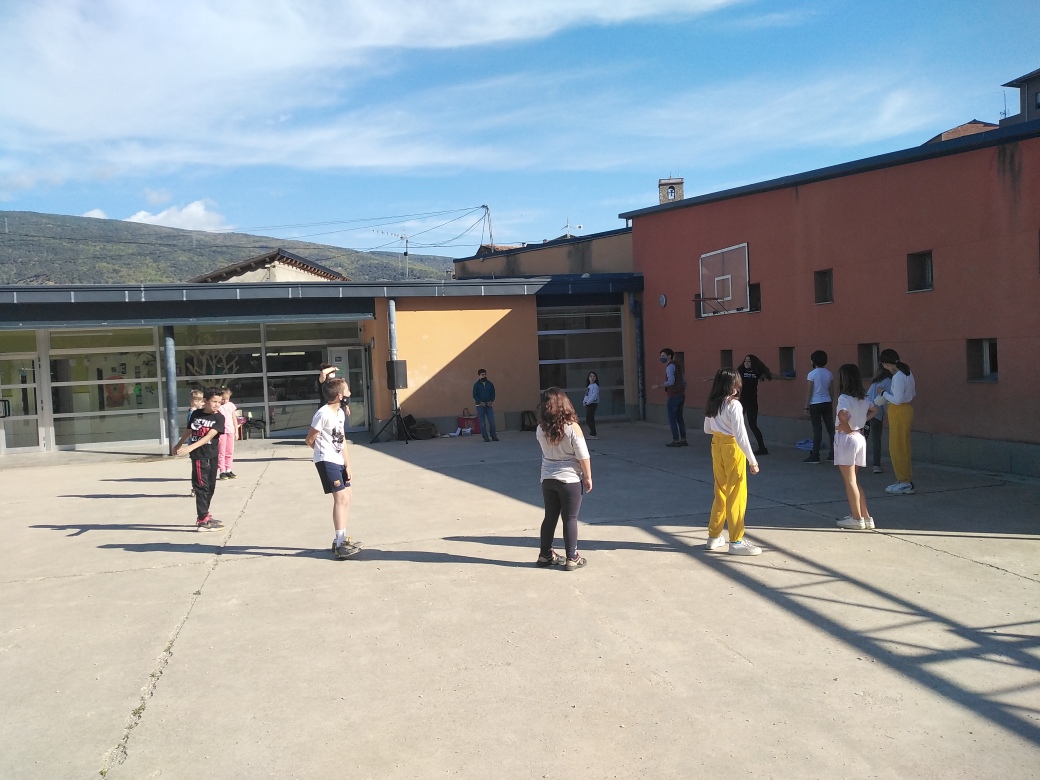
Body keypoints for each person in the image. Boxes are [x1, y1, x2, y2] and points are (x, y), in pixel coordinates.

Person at [703, 368, 761, 555]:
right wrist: (752, 461)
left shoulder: (713, 402)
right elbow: (741, 436)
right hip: (732, 448)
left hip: (716, 445)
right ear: (733, 384)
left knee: (720, 492)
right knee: (736, 494)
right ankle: (736, 541)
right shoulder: (734, 405)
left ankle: (714, 536)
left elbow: (707, 429)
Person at [535, 387, 592, 571]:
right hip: (569, 479)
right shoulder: (572, 427)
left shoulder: (540, 429)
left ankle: (545, 554)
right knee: (570, 518)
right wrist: (588, 477)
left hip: (547, 477)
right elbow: (583, 455)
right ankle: (572, 557)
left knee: (550, 516)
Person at [306, 377, 361, 560]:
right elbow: (309, 439)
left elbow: (342, 439)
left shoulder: (340, 413)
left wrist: (348, 464)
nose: (350, 393)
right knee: (341, 497)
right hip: (326, 460)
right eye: (347, 391)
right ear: (339, 396)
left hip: (339, 460)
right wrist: (322, 452)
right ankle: (339, 544)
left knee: (348, 496)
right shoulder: (322, 414)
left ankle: (341, 538)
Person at [175, 387, 226, 532]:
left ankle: (205, 514)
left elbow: (209, 436)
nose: (217, 405)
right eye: (214, 401)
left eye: (219, 402)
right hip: (199, 457)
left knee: (210, 487)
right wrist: (179, 444)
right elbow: (189, 430)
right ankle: (202, 520)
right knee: (201, 487)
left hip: (212, 455)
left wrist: (189, 447)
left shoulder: (219, 417)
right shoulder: (196, 414)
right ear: (205, 401)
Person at [833, 364, 877, 530]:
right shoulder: (862, 398)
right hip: (859, 437)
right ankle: (865, 517)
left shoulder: (844, 397)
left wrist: (846, 426)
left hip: (846, 439)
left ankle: (856, 518)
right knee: (854, 480)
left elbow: (842, 414)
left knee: (849, 480)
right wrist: (861, 421)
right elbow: (874, 410)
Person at [873, 348, 917, 495]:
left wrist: (883, 393)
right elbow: (911, 393)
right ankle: (903, 479)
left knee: (897, 447)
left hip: (899, 411)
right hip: (905, 410)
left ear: (885, 363)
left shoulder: (898, 376)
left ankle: (904, 481)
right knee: (903, 446)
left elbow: (897, 400)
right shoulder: (907, 373)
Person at [651, 348, 687, 447]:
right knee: (680, 418)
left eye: (663, 356)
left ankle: (676, 440)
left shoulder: (669, 367)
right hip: (681, 395)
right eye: (661, 356)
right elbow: (684, 381)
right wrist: (681, 390)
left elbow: (671, 381)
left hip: (673, 396)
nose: (661, 358)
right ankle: (683, 439)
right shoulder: (678, 366)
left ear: (669, 356)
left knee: (672, 419)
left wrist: (658, 386)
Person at [803, 350, 834, 464]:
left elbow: (809, 391)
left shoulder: (812, 374)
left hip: (815, 403)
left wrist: (806, 406)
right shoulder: (829, 373)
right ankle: (833, 453)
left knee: (817, 430)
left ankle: (815, 455)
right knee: (831, 429)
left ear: (813, 361)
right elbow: (831, 390)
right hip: (827, 402)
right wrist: (831, 402)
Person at [740, 354, 773, 456]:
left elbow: (772, 376)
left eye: (749, 361)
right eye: (745, 361)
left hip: (752, 401)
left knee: (753, 425)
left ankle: (762, 448)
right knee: (736, 422)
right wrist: (712, 378)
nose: (746, 363)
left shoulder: (757, 372)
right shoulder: (741, 371)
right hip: (742, 401)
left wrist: (785, 377)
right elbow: (728, 376)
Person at [174, 389, 205, 496]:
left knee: (201, 466)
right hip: (194, 443)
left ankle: (199, 485)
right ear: (195, 402)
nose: (203, 404)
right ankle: (195, 487)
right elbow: (191, 429)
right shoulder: (192, 413)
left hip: (198, 442)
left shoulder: (196, 412)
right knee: (196, 467)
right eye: (201, 402)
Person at [865, 365, 892, 474]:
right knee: (876, 439)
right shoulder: (888, 382)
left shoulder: (874, 382)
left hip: (866, 410)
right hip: (876, 413)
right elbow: (886, 399)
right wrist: (889, 413)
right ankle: (876, 465)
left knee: (863, 436)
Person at [217, 386, 239, 480]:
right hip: (222, 431)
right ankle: (222, 471)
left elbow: (234, 418)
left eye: (227, 399)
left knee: (230, 451)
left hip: (230, 430)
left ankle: (228, 469)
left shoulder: (230, 405)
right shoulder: (218, 407)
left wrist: (236, 431)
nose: (225, 401)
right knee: (222, 451)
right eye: (223, 399)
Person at [472, 368, 499, 442]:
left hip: (489, 405)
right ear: (479, 375)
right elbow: (475, 395)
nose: (484, 376)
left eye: (485, 374)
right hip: (480, 406)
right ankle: (485, 437)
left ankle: (493, 436)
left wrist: (491, 401)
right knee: (482, 423)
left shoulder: (490, 384)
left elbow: (493, 393)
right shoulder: (476, 385)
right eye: (482, 375)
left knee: (492, 421)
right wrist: (480, 402)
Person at [583, 371, 600, 439]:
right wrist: (584, 401)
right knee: (590, 419)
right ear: (588, 378)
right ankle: (592, 433)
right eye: (591, 376)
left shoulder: (595, 386)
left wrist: (588, 402)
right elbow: (587, 395)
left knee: (589, 419)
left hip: (592, 404)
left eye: (594, 376)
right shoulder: (589, 386)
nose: (592, 378)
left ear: (596, 378)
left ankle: (593, 434)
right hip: (588, 404)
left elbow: (594, 396)